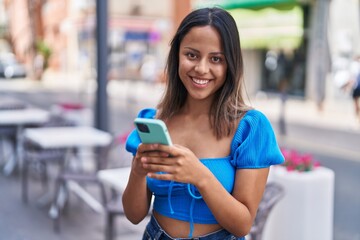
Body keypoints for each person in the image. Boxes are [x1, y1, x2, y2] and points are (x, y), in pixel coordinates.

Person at [122, 7, 284, 240]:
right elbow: (134, 215)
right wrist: (137, 172)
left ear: (230, 64)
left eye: (216, 59)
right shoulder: (154, 120)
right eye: (192, 55)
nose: (201, 68)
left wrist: (200, 175)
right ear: (177, 55)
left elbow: (242, 225)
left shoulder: (250, 128)